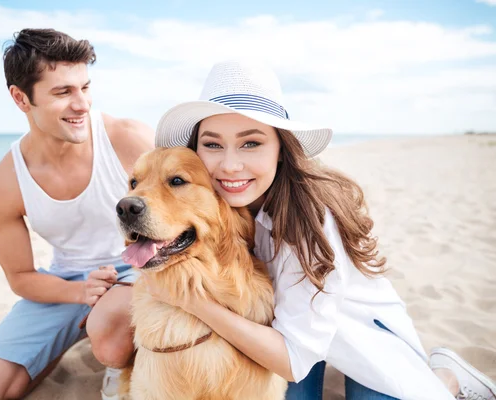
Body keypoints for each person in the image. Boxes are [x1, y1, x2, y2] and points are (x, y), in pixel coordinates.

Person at [149, 60, 496, 399]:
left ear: (281, 150)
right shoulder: (210, 205)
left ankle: (446, 377)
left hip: (355, 335)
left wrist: (193, 302)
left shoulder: (311, 223)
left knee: (389, 386)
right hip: (286, 328)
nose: (230, 164)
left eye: (251, 143)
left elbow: (293, 361)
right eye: (212, 144)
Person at [0, 28, 154, 400]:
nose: (81, 104)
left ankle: (122, 365)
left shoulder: (129, 139)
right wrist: (81, 291)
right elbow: (20, 276)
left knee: (110, 340)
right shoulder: (4, 183)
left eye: (85, 87)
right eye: (63, 92)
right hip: (69, 281)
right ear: (21, 98)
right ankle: (73, 334)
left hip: (142, 264)